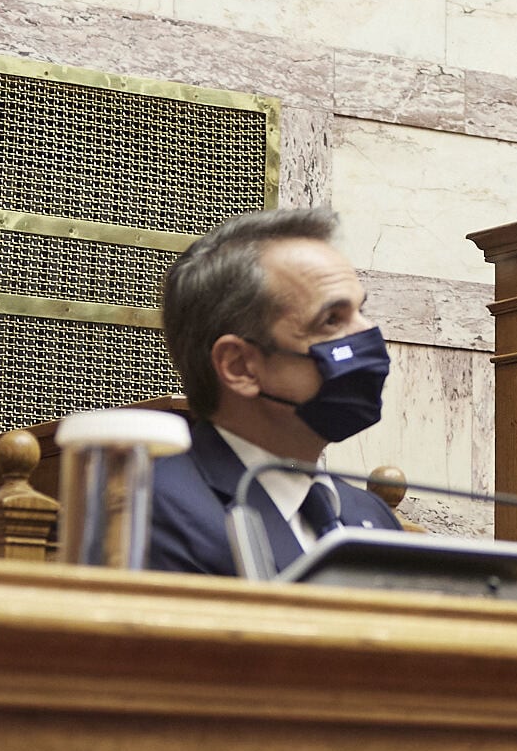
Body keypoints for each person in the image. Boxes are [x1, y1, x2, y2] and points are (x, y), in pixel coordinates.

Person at [145, 207, 405, 576]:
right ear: (239, 366)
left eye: (361, 311)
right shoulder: (153, 509)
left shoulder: (372, 517)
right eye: (331, 320)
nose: (369, 334)